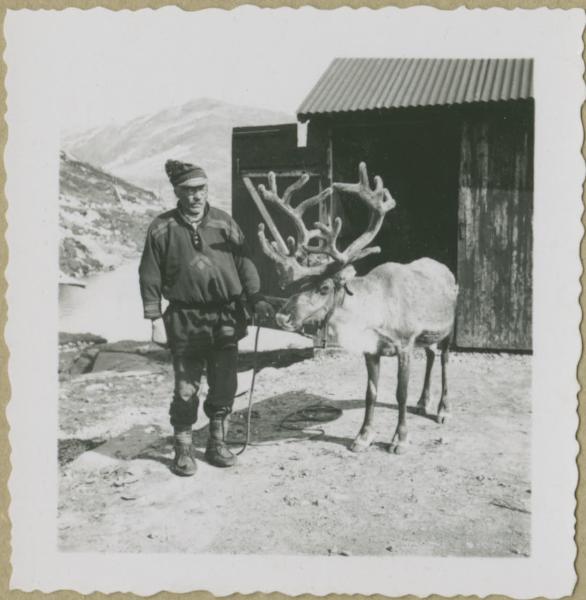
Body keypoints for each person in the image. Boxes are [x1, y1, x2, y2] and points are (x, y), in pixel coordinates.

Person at [139, 160, 274, 477]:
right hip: (184, 319)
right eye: (188, 190)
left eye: (200, 189)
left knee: (224, 383)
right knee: (186, 388)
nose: (196, 196)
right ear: (177, 191)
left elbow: (245, 264)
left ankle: (216, 443)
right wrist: (154, 317)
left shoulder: (225, 224)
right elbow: (149, 276)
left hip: (225, 317)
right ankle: (183, 449)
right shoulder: (161, 228)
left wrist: (255, 298)